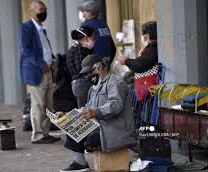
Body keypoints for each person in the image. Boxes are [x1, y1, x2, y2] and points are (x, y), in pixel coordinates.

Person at [58, 54, 136, 172]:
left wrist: (96, 112)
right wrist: (67, 115)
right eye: (86, 74)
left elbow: (116, 105)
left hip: (115, 129)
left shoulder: (115, 82)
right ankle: (80, 162)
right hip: (101, 126)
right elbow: (87, 108)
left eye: (89, 72)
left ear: (99, 67)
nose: (88, 76)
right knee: (71, 127)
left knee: (90, 138)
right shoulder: (93, 88)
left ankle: (80, 163)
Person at [19, 0, 60, 144]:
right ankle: (37, 135)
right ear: (32, 11)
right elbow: (26, 50)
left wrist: (53, 60)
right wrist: (42, 64)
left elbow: (46, 48)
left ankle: (45, 132)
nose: (44, 12)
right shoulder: (26, 28)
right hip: (36, 72)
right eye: (41, 9)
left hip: (48, 71)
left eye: (45, 9)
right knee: (38, 105)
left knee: (49, 104)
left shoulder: (42, 29)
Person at [118, 21, 158, 125]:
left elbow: (139, 65)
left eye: (143, 35)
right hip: (144, 87)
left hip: (148, 88)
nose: (143, 37)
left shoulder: (153, 49)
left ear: (147, 35)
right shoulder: (151, 48)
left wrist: (126, 61)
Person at [78, 0, 116, 66]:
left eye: (84, 11)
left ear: (89, 13)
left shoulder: (85, 26)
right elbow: (113, 47)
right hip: (106, 62)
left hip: (93, 64)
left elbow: (81, 49)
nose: (82, 13)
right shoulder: (104, 25)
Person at [66, 26, 94, 108]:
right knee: (87, 113)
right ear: (86, 38)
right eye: (92, 38)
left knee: (83, 111)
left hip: (76, 84)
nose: (93, 41)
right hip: (83, 84)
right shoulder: (80, 49)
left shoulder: (72, 49)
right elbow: (82, 67)